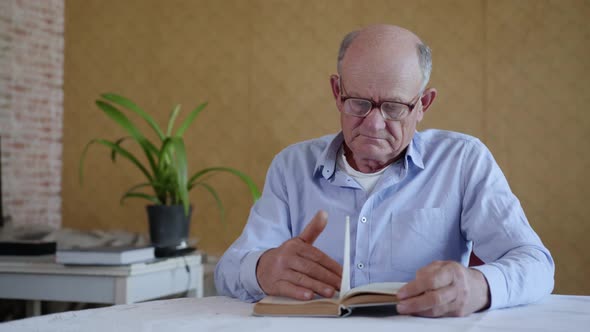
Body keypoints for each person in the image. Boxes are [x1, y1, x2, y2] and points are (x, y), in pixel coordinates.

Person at [214, 24, 554, 317]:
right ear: (337, 93)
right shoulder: (292, 167)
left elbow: (536, 264)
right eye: (358, 103)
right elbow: (228, 269)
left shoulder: (463, 161)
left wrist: (478, 286)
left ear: (423, 105)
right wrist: (263, 269)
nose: (374, 124)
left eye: (393, 107)